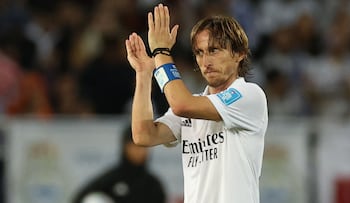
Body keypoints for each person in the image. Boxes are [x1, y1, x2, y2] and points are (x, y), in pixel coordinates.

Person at [125, 3, 268, 203]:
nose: (205, 61)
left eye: (214, 50)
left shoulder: (249, 95)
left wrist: (161, 52)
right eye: (200, 52)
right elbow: (144, 135)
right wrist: (144, 73)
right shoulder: (193, 104)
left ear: (239, 53)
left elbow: (182, 105)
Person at [72, 125, 166, 203]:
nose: (140, 151)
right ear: (125, 147)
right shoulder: (111, 179)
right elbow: (81, 197)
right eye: (135, 146)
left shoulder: (153, 185)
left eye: (144, 146)